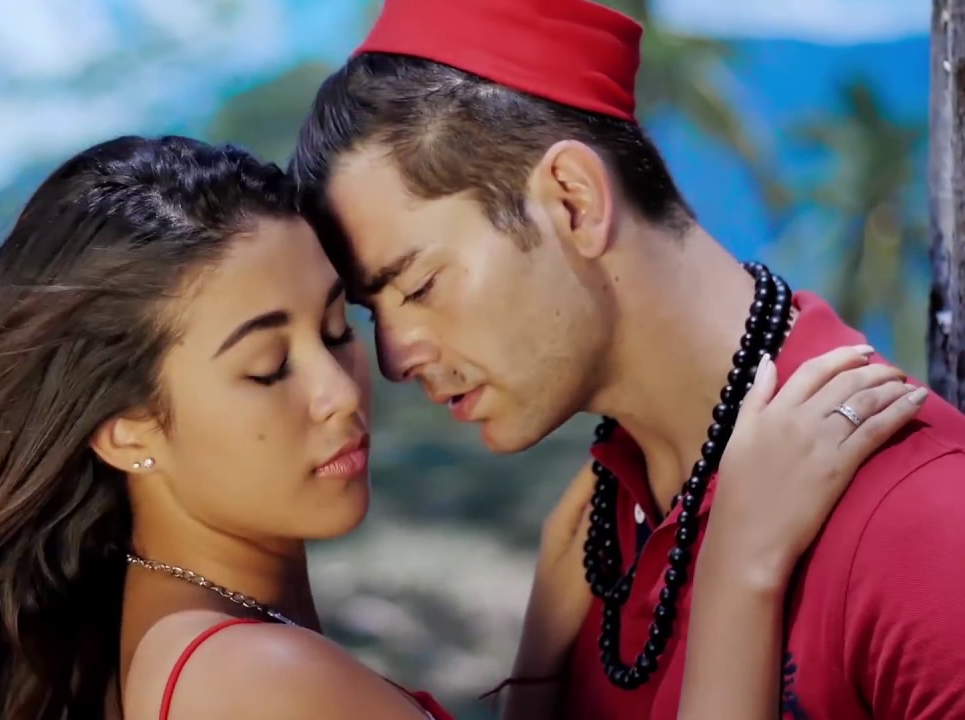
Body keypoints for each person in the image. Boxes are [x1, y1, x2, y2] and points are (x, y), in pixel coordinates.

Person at [0, 135, 921, 720]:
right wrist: (739, 568)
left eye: (334, 330)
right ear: (125, 430)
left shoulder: (183, 643)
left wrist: (544, 648)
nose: (345, 389)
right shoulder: (248, 683)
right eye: (266, 368)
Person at [289, 0, 965, 718]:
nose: (394, 359)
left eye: (421, 286)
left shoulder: (921, 525)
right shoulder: (598, 534)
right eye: (373, 314)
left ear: (574, 202)